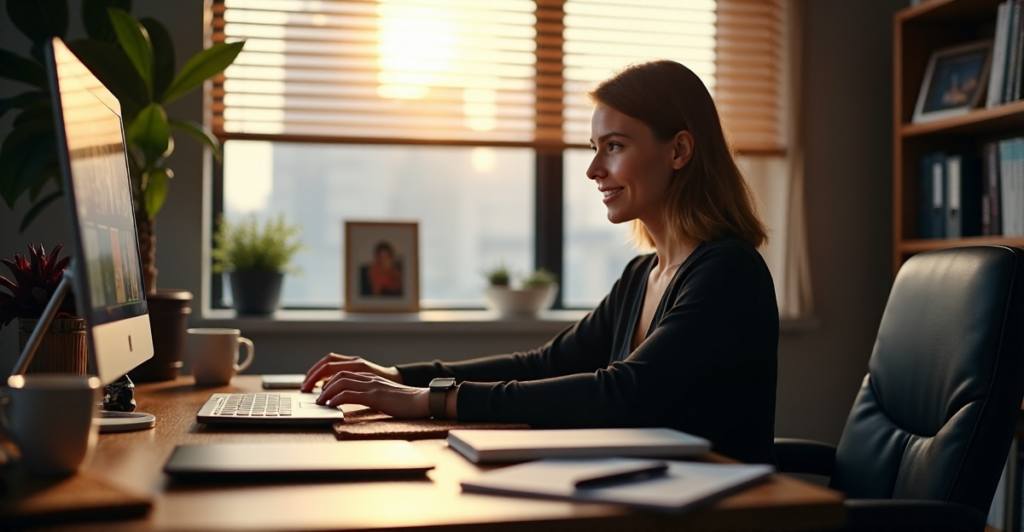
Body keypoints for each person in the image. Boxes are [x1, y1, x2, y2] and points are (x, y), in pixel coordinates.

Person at [303, 60, 779, 465]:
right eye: (595, 148)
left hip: (715, 509)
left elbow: (623, 393)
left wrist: (432, 401)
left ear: (679, 150)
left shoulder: (727, 272)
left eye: (614, 146)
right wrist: (399, 376)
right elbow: (545, 364)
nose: (594, 170)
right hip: (641, 492)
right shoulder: (642, 276)